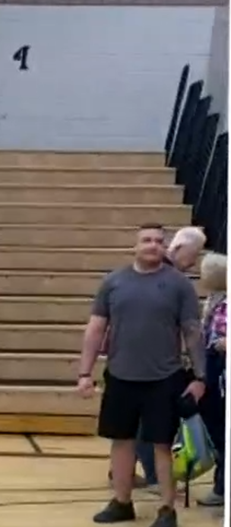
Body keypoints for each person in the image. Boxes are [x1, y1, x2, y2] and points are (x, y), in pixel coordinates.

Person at [77, 224, 206, 527]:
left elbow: (192, 331)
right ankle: (122, 502)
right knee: (121, 441)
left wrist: (200, 377)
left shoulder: (179, 285)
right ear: (135, 245)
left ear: (166, 247)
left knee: (162, 444)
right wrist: (85, 372)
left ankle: (167, 509)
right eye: (146, 240)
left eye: (159, 241)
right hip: (120, 376)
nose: (152, 245)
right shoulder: (113, 282)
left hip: (164, 378)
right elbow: (96, 328)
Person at [110, 226, 207, 490]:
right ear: (178, 248)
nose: (194, 261)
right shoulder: (163, 279)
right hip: (143, 368)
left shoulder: (177, 281)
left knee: (139, 429)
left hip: (153, 366)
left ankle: (141, 479)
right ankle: (148, 477)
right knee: (147, 430)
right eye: (194, 254)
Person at [197, 252, 227, 508]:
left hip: (221, 368)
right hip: (210, 366)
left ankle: (222, 487)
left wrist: (221, 344)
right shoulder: (213, 300)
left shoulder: (225, 303)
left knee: (221, 428)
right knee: (214, 428)